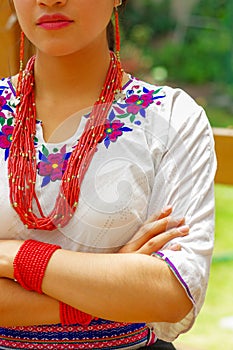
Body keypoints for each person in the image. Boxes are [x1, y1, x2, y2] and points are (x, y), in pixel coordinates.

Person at [0, 0, 216, 349]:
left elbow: (172, 291)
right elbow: (144, 294)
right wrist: (111, 287)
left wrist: (14, 257)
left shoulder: (171, 118)